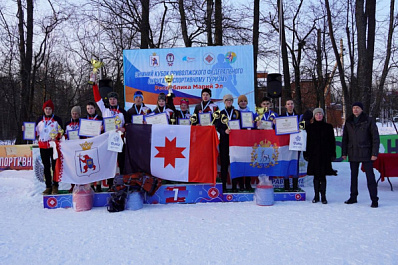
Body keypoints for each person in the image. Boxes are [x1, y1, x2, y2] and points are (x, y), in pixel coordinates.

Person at [342, 102, 380, 208]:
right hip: (353, 152)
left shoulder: (368, 120)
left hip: (366, 153)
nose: (355, 110)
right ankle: (353, 197)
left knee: (370, 177)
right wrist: (344, 152)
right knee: (353, 176)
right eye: (354, 108)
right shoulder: (349, 121)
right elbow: (345, 138)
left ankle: (374, 199)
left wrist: (374, 153)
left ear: (361, 109)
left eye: (357, 108)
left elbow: (375, 138)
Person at [93, 83, 127, 189]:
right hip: (108, 140)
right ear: (109, 100)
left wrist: (124, 129)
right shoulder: (105, 110)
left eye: (114, 99)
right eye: (111, 99)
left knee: (121, 162)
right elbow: (97, 99)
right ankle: (111, 184)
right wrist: (94, 85)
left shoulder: (122, 112)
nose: (112, 101)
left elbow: (128, 125)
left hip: (119, 140)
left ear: (117, 100)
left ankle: (122, 182)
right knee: (109, 163)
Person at [304, 108, 336, 204]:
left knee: (323, 176)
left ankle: (323, 196)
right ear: (314, 116)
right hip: (314, 155)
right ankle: (316, 195)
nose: (319, 116)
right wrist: (306, 154)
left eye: (320, 114)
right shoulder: (310, 128)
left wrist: (332, 154)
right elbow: (307, 142)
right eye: (317, 114)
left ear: (323, 115)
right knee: (316, 176)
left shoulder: (328, 127)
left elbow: (332, 142)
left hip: (325, 155)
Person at [34, 100, 63, 195]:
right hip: (43, 146)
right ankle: (48, 186)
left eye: (49, 109)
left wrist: (57, 138)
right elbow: (35, 133)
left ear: (52, 110)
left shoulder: (57, 119)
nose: (48, 110)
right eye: (46, 109)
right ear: (44, 109)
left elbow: (61, 132)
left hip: (53, 147)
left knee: (55, 166)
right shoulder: (39, 120)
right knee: (46, 167)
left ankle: (55, 186)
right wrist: (26, 130)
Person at [216, 94, 240, 192]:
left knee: (234, 164)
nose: (228, 102)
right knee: (224, 164)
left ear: (232, 101)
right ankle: (224, 186)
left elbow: (242, 125)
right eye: (227, 100)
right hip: (225, 142)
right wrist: (224, 132)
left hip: (235, 142)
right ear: (224, 102)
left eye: (230, 100)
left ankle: (234, 186)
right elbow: (218, 127)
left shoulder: (237, 113)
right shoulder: (221, 113)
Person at [280, 99, 301, 191]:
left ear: (294, 105)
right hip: (285, 144)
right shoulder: (281, 118)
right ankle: (286, 186)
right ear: (285, 106)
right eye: (288, 104)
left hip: (296, 144)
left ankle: (295, 186)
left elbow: (304, 128)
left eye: (292, 104)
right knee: (286, 163)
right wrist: (275, 124)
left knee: (295, 163)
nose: (290, 105)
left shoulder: (299, 117)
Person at [86, 102, 104, 192]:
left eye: (91, 108)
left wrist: (102, 128)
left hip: (98, 144)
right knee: (90, 164)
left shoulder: (100, 119)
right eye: (88, 108)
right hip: (89, 145)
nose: (90, 110)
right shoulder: (84, 120)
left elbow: (105, 131)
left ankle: (99, 184)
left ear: (95, 109)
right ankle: (92, 184)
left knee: (98, 164)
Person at [237, 94, 253, 191]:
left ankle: (248, 183)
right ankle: (241, 184)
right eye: (241, 101)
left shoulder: (251, 113)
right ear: (238, 103)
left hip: (248, 141)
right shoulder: (235, 113)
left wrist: (256, 123)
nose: (243, 102)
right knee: (239, 162)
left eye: (244, 101)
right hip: (239, 141)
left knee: (248, 162)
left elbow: (255, 126)